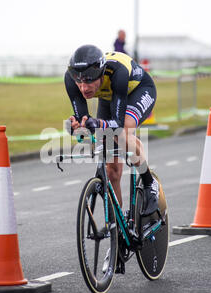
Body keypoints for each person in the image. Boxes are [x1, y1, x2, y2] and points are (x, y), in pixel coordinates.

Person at [64, 44, 159, 216]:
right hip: (110, 98)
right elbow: (85, 122)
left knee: (120, 133)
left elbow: (117, 123)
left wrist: (100, 124)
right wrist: (77, 127)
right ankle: (117, 227)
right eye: (80, 82)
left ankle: (149, 182)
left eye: (89, 81)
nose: (84, 88)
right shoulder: (71, 79)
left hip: (138, 90)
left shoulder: (118, 73)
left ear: (100, 74)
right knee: (112, 171)